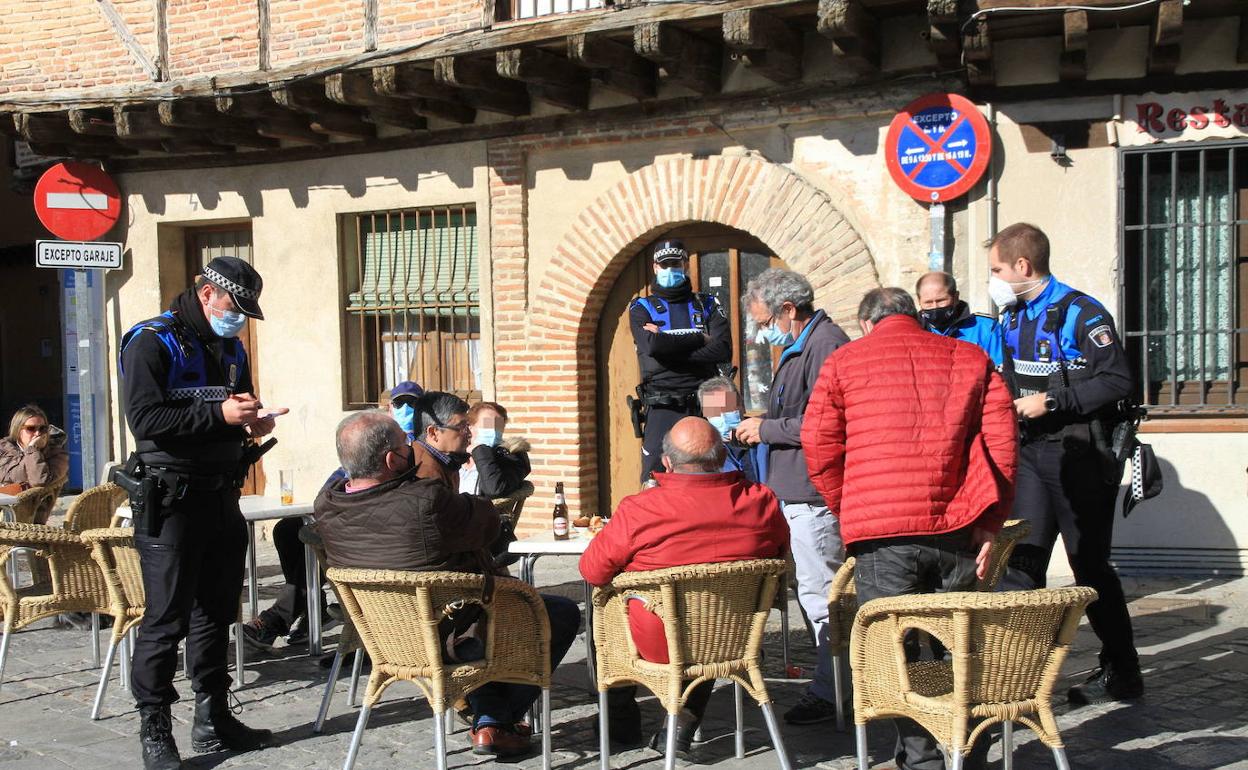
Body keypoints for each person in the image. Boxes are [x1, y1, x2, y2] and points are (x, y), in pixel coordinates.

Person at [801, 287, 1018, 770]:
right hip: (959, 525)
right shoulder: (970, 357)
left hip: (881, 534)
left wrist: (850, 506)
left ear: (865, 323)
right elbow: (1002, 443)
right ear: (914, 317)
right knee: (962, 645)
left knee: (892, 649)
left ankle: (921, 759)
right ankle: (970, 751)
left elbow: (818, 446)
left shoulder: (843, 363)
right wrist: (990, 520)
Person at [314, 411, 580, 758]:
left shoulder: (328, 505)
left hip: (384, 636)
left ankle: (489, 713)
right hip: (448, 631)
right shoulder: (426, 501)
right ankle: (495, 721)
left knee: (477, 621)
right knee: (557, 613)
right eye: (406, 445)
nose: (414, 450)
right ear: (393, 460)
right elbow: (489, 524)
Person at [119, 256, 285, 770]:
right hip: (172, 501)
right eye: (235, 306)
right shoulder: (152, 339)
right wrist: (219, 414)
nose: (238, 317)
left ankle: (213, 720)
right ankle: (155, 730)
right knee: (165, 620)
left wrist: (248, 424)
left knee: (216, 613)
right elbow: (145, 418)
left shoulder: (229, 345)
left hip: (221, 496)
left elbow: (228, 412)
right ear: (208, 293)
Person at [988, 222, 1143, 705]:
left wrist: (1053, 403)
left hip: (1080, 457)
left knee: (1090, 567)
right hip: (1031, 455)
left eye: (996, 269)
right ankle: (1015, 676)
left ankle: (1122, 671)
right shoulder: (1012, 317)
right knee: (1021, 562)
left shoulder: (1080, 313)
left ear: (1022, 266)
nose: (991, 279)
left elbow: (1119, 381)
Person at [580, 417, 788, 758]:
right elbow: (782, 554)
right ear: (722, 457)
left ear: (666, 462)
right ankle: (682, 723)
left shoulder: (640, 509)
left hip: (655, 643)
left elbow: (592, 569)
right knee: (708, 618)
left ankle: (619, 720)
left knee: (608, 604)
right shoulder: (762, 501)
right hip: (733, 636)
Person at [732, 267, 850, 724]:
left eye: (764, 321)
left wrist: (766, 429)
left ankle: (834, 692)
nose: (763, 331)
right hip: (796, 491)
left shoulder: (825, 345)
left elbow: (826, 423)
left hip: (814, 494)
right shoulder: (804, 345)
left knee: (823, 596)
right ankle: (834, 685)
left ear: (787, 309)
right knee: (814, 592)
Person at [240, 382, 421, 651]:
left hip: (378, 527)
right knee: (289, 529)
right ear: (388, 409)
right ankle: (312, 608)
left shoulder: (416, 448)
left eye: (413, 405)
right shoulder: (370, 438)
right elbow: (332, 486)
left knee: (317, 539)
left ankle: (281, 618)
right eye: (399, 404)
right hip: (351, 515)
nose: (406, 410)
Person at [629, 240, 732, 482]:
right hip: (664, 403)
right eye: (664, 265)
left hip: (710, 399)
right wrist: (700, 338)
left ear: (685, 265)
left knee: (720, 472)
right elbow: (651, 346)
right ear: (655, 267)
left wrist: (667, 346)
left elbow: (723, 350)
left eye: (675, 263)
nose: (670, 269)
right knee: (654, 478)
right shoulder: (641, 307)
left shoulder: (708, 304)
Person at [914, 271, 1005, 367]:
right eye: (928, 302)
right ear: (919, 301)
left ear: (956, 297)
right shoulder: (912, 331)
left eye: (941, 301)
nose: (935, 307)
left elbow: (1000, 370)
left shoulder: (985, 328)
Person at [0, 405, 69, 519]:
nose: (37, 434)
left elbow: (39, 481)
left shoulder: (57, 456)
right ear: (18, 430)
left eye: (43, 429)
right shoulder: (4, 448)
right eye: (31, 429)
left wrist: (32, 449)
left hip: (25, 516)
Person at [459, 401, 531, 497]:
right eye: (487, 424)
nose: (493, 430)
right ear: (470, 427)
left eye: (498, 426)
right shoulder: (456, 456)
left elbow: (495, 489)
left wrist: (480, 450)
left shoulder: (510, 457)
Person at [695, 377, 758, 482]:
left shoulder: (762, 440)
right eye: (714, 411)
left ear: (742, 406)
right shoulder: (704, 453)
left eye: (727, 408)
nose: (722, 417)